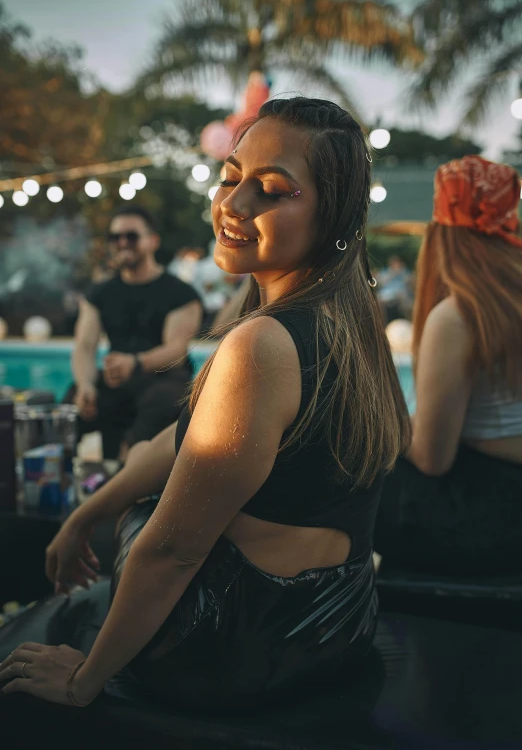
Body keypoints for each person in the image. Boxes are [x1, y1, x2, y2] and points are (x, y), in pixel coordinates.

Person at [0, 98, 410, 710]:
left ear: (335, 217)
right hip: (336, 625)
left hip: (235, 644)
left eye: (272, 190)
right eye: (231, 177)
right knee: (134, 490)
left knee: (145, 523)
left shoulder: (262, 346)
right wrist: (83, 513)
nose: (233, 206)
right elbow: (185, 442)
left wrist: (86, 678)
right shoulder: (354, 320)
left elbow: (175, 551)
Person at [375, 156, 522, 576]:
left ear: (438, 232)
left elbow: (432, 458)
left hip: (488, 522)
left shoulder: (458, 316)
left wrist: (383, 422)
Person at [65, 205, 203, 459]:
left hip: (163, 377)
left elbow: (176, 351)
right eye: (115, 237)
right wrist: (85, 385)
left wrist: (136, 363)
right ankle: (62, 482)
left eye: (131, 236)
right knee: (71, 402)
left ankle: (133, 477)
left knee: (164, 401)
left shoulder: (181, 293)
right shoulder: (99, 293)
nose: (122, 243)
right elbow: (84, 346)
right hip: (117, 377)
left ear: (152, 241)